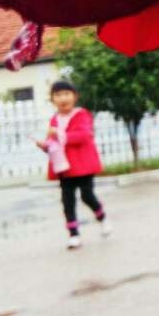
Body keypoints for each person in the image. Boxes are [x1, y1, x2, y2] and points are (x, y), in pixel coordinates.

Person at [36, 81, 110, 250]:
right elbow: (53, 141)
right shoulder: (54, 119)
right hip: (63, 167)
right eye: (58, 95)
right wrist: (45, 145)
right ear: (52, 99)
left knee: (87, 196)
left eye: (66, 94)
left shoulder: (82, 115)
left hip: (83, 165)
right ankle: (74, 234)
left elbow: (83, 135)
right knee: (67, 201)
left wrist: (59, 134)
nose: (63, 98)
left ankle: (102, 217)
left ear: (75, 97)